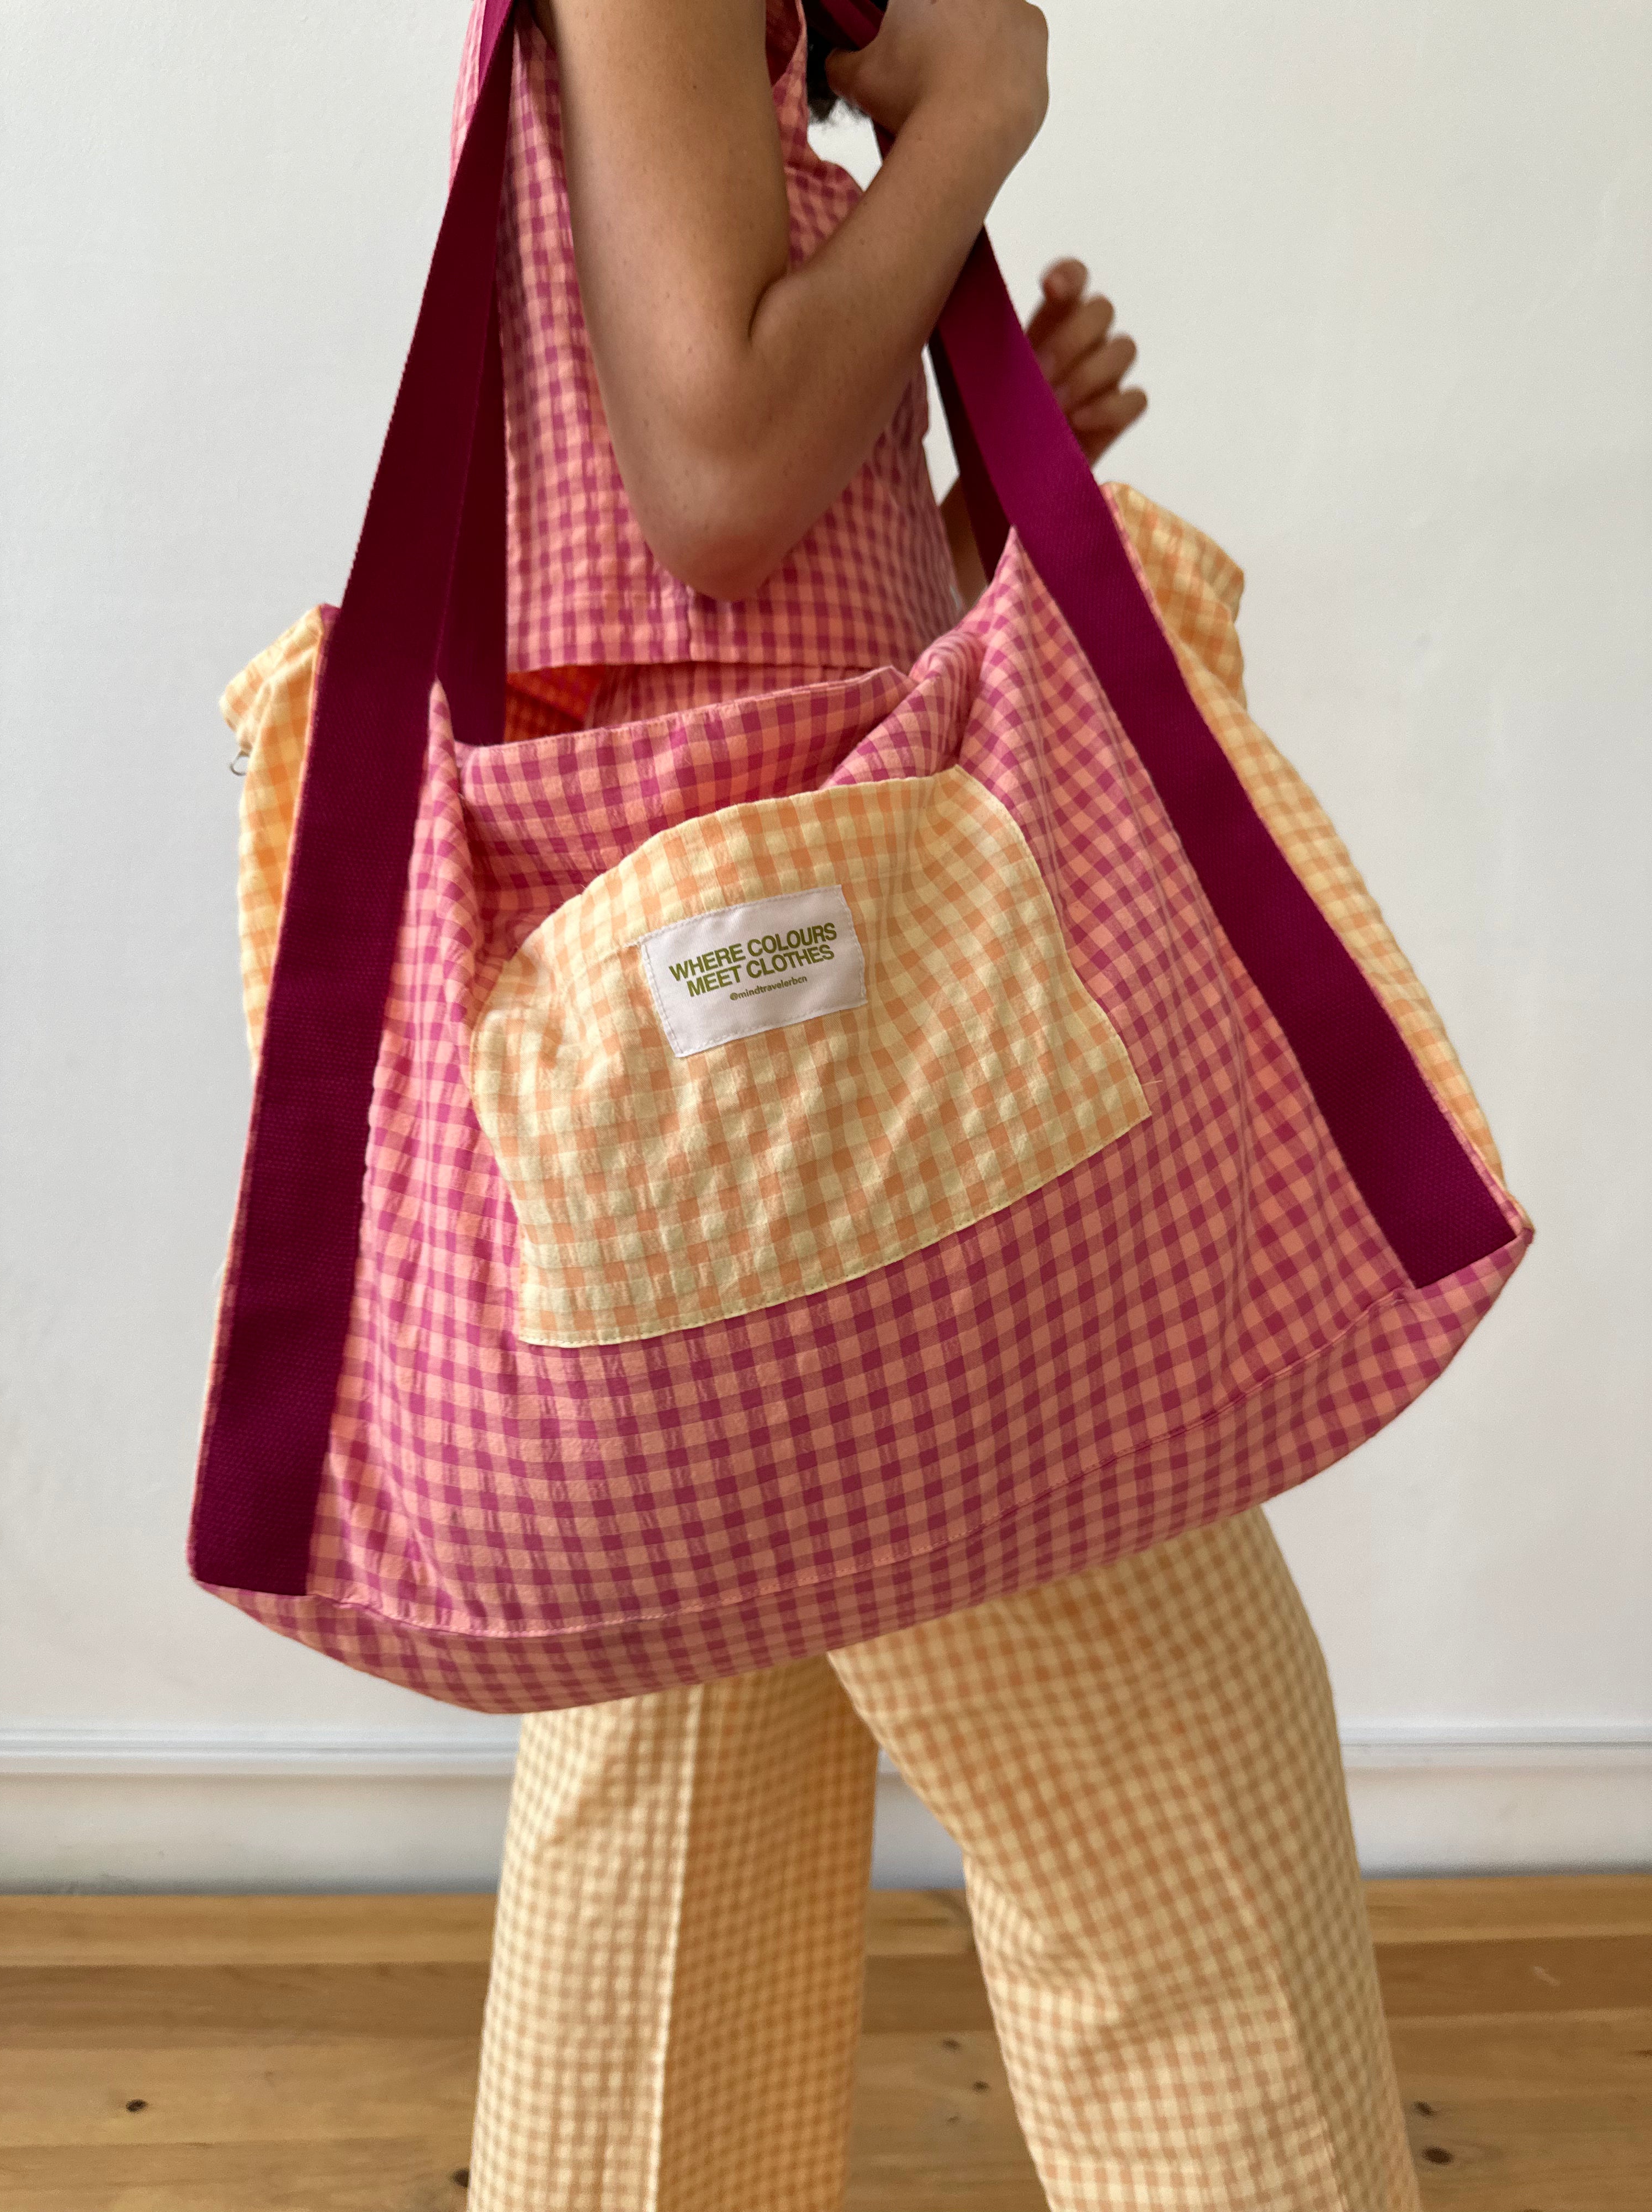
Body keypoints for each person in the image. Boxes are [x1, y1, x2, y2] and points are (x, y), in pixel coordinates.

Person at [450, 1, 1423, 2204]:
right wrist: (977, 118)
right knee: (1184, 1810)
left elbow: (691, 528)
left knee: (682, 1851)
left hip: (687, 1112)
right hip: (837, 1095)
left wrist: (929, 485)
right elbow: (711, 470)